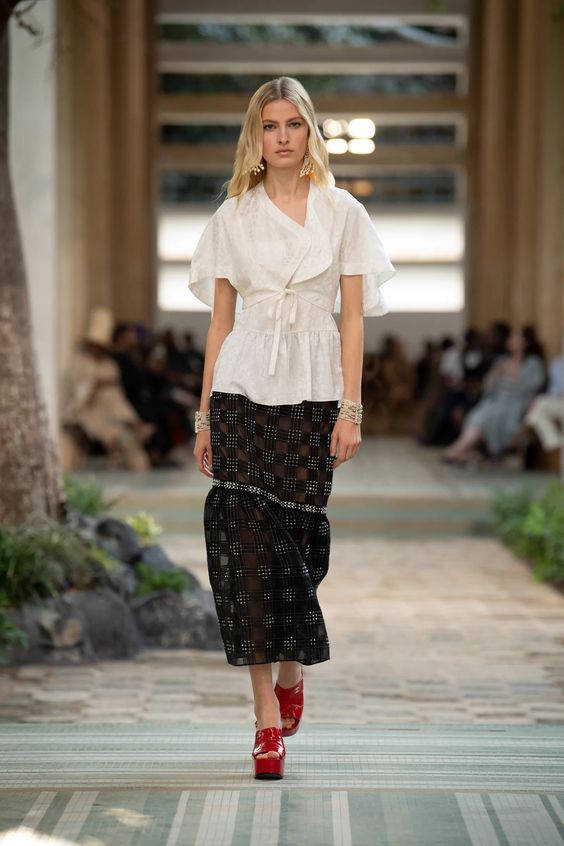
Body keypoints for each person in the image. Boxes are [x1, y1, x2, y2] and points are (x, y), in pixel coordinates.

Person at [188, 76, 395, 779]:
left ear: (310, 132)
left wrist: (351, 409)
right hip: (243, 386)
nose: (282, 137)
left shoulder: (343, 212)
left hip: (312, 390)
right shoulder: (232, 216)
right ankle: (265, 721)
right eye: (270, 125)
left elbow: (353, 318)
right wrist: (204, 414)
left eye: (294, 124)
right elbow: (220, 323)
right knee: (243, 549)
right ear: (255, 136)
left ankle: (292, 668)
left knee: (300, 549)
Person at [62, 308, 155, 470]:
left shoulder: (109, 365)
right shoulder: (80, 363)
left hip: (112, 411)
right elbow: (79, 398)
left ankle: (135, 430)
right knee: (117, 435)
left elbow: (116, 397)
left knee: (128, 440)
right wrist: (95, 385)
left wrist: (129, 418)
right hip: (86, 412)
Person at [441, 325, 546, 465]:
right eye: (511, 337)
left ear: (525, 342)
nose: (511, 340)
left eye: (516, 337)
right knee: (478, 415)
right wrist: (493, 378)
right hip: (496, 401)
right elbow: (489, 388)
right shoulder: (502, 361)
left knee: (487, 417)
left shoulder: (533, 363)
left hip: (517, 404)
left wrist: (513, 374)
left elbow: (534, 386)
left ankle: (460, 449)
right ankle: (461, 449)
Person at [524, 354, 564, 454]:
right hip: (557, 401)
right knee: (539, 404)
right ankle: (554, 441)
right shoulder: (557, 364)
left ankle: (553, 441)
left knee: (536, 408)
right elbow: (552, 390)